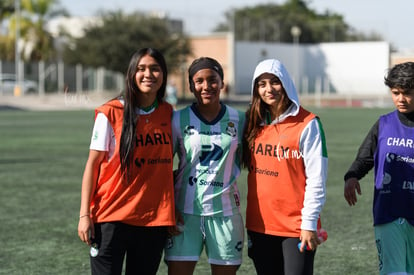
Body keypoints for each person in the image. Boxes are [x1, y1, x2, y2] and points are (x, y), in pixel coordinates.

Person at [77, 47, 175, 275]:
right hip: (111, 217)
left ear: (164, 74)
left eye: (155, 69)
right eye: (141, 69)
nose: (148, 74)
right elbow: (92, 165)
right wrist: (84, 215)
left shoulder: (168, 113)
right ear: (131, 74)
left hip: (153, 220)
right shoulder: (110, 113)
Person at [242, 59, 328, 275]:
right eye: (261, 84)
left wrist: (309, 224)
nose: (268, 89)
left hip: (296, 227)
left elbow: (317, 179)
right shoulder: (252, 122)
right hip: (259, 225)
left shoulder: (308, 123)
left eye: (274, 82)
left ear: (286, 83)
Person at [164, 57, 245, 275]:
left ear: (222, 83)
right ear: (191, 85)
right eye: (199, 81)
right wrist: (167, 208)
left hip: (225, 214)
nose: (206, 86)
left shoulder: (240, 119)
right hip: (183, 214)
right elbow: (162, 168)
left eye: (212, 80)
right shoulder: (176, 119)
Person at [344, 61, 414, 275]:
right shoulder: (384, 124)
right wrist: (352, 176)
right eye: (395, 92)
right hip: (388, 212)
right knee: (394, 272)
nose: (400, 99)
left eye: (407, 93)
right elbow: (365, 157)